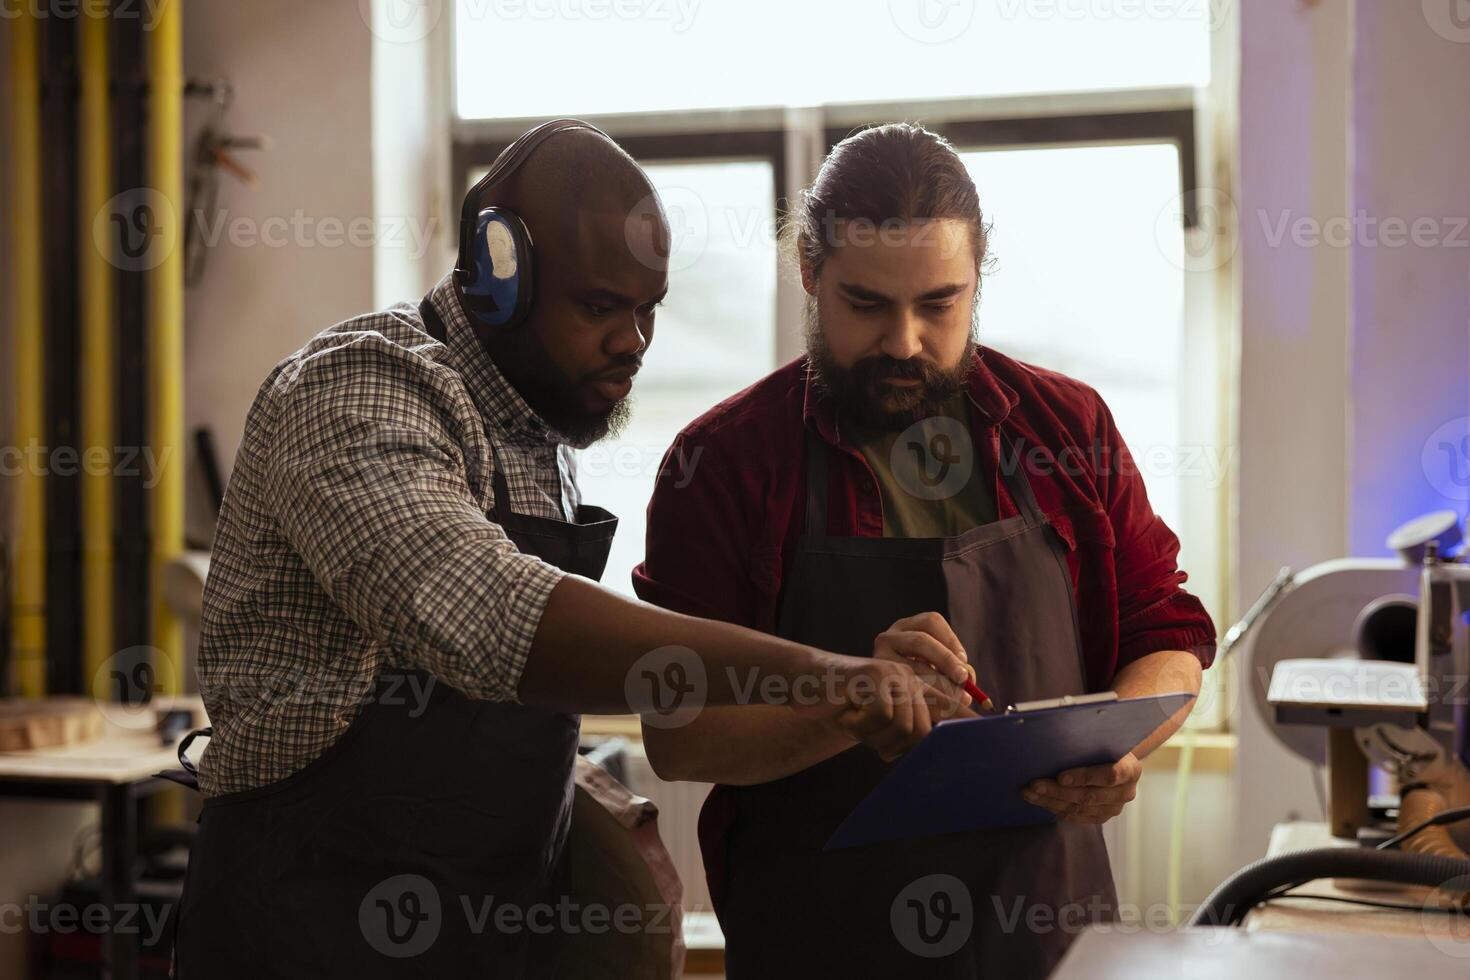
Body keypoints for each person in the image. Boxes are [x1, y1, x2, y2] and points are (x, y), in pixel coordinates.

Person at [171, 120, 972, 978]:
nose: (633, 341)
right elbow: (490, 613)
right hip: (304, 935)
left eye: (647, 310)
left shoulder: (533, 428)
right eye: (600, 307)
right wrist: (828, 673)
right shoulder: (360, 388)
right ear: (497, 273)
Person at [634, 122, 1217, 978]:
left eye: (939, 304)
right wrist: (843, 706)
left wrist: (1125, 747)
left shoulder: (1069, 429)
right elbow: (681, 736)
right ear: (809, 272)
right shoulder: (721, 464)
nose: (904, 341)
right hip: (823, 939)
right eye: (867, 304)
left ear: (978, 281)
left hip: (1048, 937)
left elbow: (1163, 631)